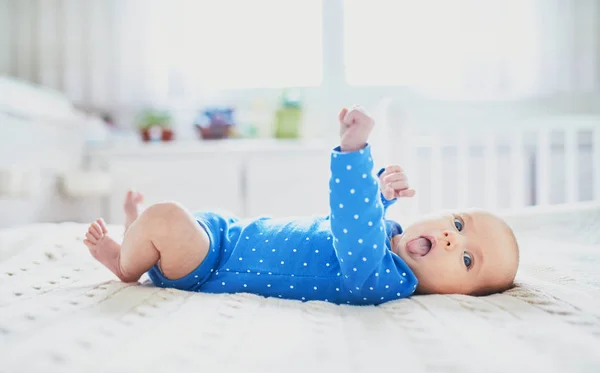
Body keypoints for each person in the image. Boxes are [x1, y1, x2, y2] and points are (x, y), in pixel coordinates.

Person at [83, 106, 519, 305]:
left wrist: (354, 153)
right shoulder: (385, 239)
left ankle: (126, 263)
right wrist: (382, 197)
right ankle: (137, 238)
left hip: (209, 267)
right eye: (458, 223)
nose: (448, 236)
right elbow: (347, 226)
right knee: (174, 220)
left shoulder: (383, 281)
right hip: (226, 235)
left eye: (466, 257)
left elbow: (351, 229)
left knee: (168, 216)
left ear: (458, 296)